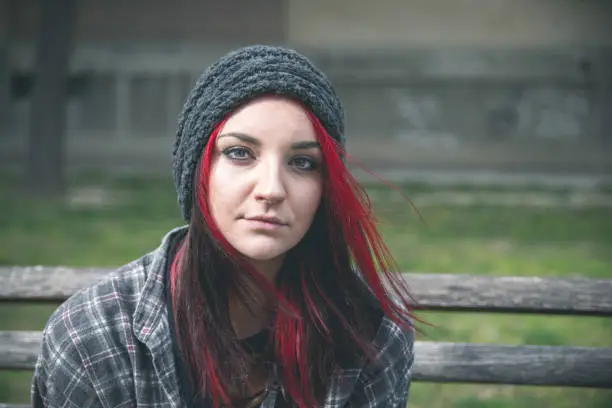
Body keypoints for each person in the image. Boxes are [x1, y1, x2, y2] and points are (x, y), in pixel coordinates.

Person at [31, 45, 415, 408]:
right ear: (198, 172)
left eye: (302, 162)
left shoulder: (371, 333)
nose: (271, 190)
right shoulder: (94, 338)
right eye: (239, 153)